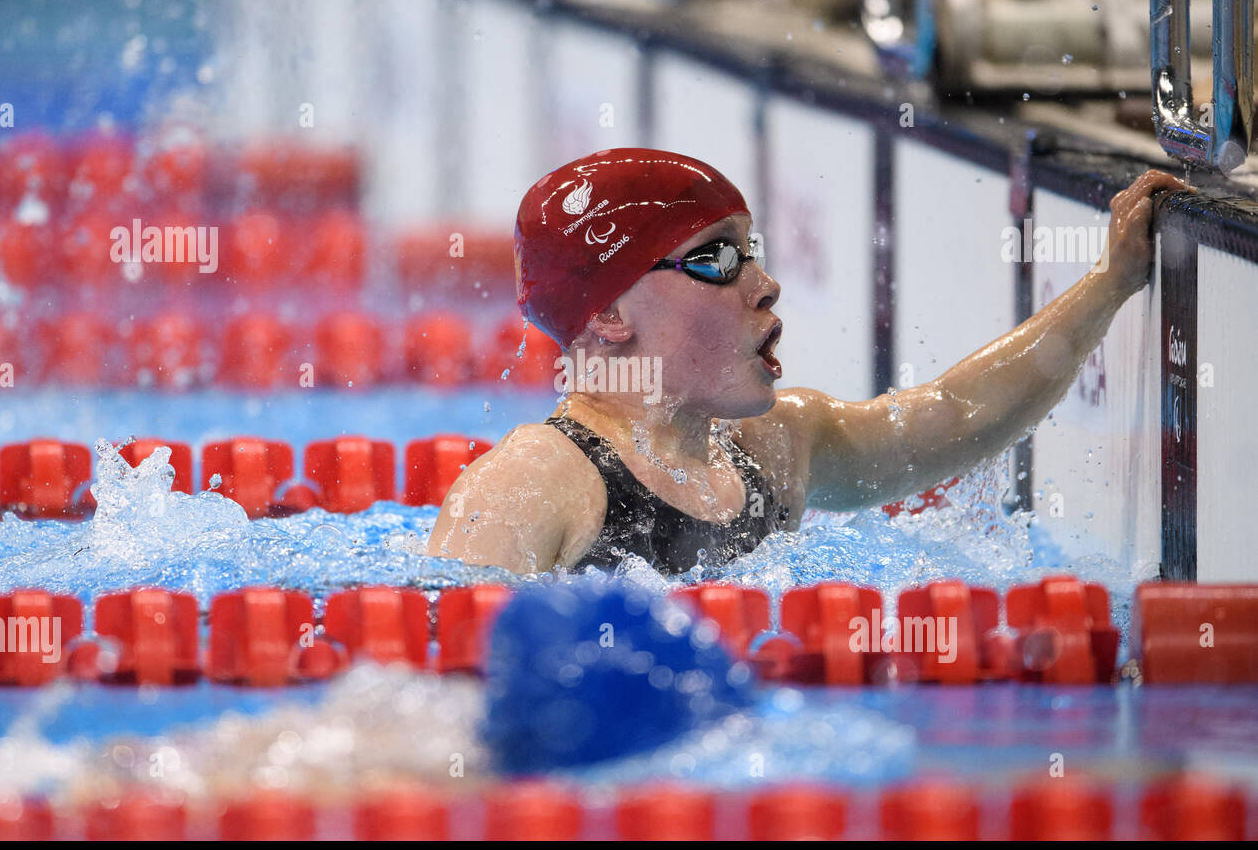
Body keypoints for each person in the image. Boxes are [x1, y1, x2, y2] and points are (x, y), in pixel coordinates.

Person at [427, 147, 1186, 575]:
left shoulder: (774, 448)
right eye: (717, 259)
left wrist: (1109, 283)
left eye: (749, 250)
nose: (765, 283)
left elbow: (957, 418)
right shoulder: (534, 485)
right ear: (606, 313)